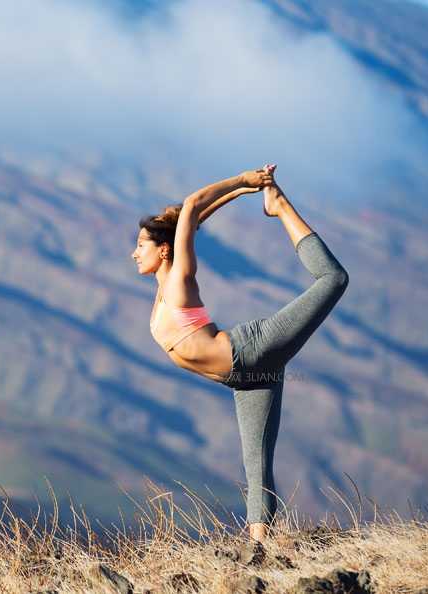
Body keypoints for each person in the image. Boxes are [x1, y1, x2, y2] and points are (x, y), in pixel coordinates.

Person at [132, 165, 349, 543]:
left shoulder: (180, 278)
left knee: (334, 279)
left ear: (163, 250)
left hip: (251, 349)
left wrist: (244, 182)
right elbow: (192, 217)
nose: (134, 253)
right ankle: (259, 546)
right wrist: (239, 195)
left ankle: (280, 206)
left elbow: (192, 205)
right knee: (257, 468)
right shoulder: (161, 290)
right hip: (244, 377)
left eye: (140, 245)